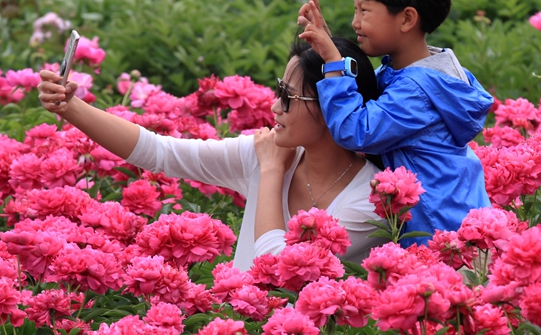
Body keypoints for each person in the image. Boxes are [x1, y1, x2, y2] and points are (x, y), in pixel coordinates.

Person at [36, 38, 387, 270]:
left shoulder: (372, 200)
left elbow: (282, 270)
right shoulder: (273, 152)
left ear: (333, 107)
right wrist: (71, 107)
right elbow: (160, 152)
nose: (275, 105)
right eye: (280, 90)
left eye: (290, 97)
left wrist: (268, 174)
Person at [297, 0, 494, 245]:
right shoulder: (413, 73)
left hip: (443, 238)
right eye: (355, 10)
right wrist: (330, 43)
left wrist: (334, 62)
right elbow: (365, 99)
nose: (356, 22)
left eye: (365, 11)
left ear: (406, 19)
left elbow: (356, 130)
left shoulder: (416, 92)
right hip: (455, 224)